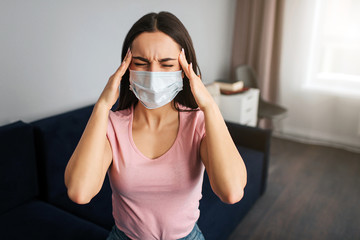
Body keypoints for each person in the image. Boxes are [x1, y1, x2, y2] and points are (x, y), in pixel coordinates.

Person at [64, 11, 247, 240]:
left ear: (184, 71)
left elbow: (231, 192)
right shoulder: (112, 127)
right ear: (126, 68)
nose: (152, 75)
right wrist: (102, 105)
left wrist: (209, 106)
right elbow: (79, 192)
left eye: (166, 64)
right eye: (141, 63)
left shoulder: (198, 123)